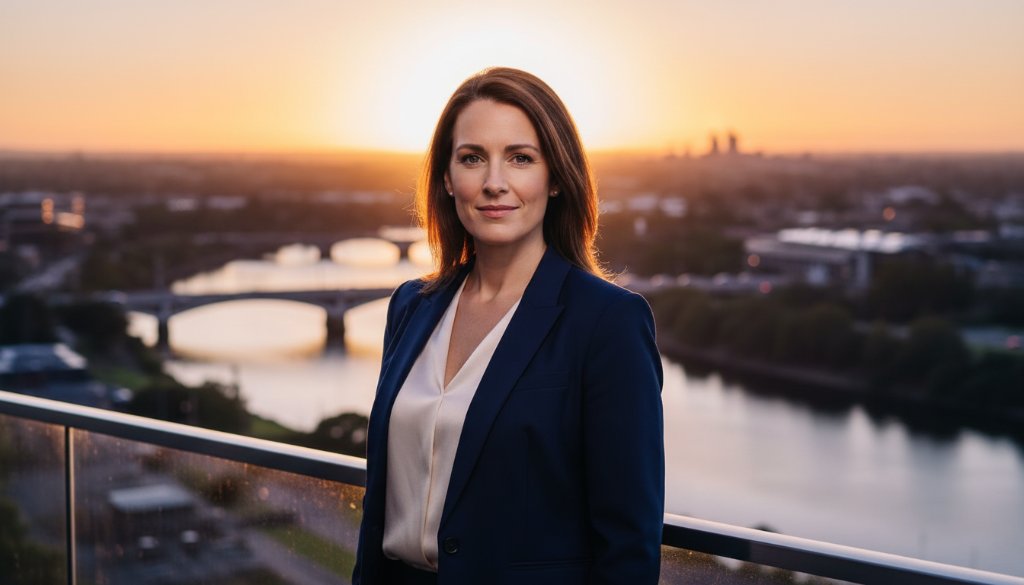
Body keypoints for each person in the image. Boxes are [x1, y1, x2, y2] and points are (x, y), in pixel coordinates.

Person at [353, 67, 664, 585]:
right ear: (448, 179)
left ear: (556, 177)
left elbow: (628, 542)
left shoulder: (606, 323)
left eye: (520, 158)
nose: (494, 182)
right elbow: (381, 501)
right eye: (472, 158)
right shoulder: (411, 306)